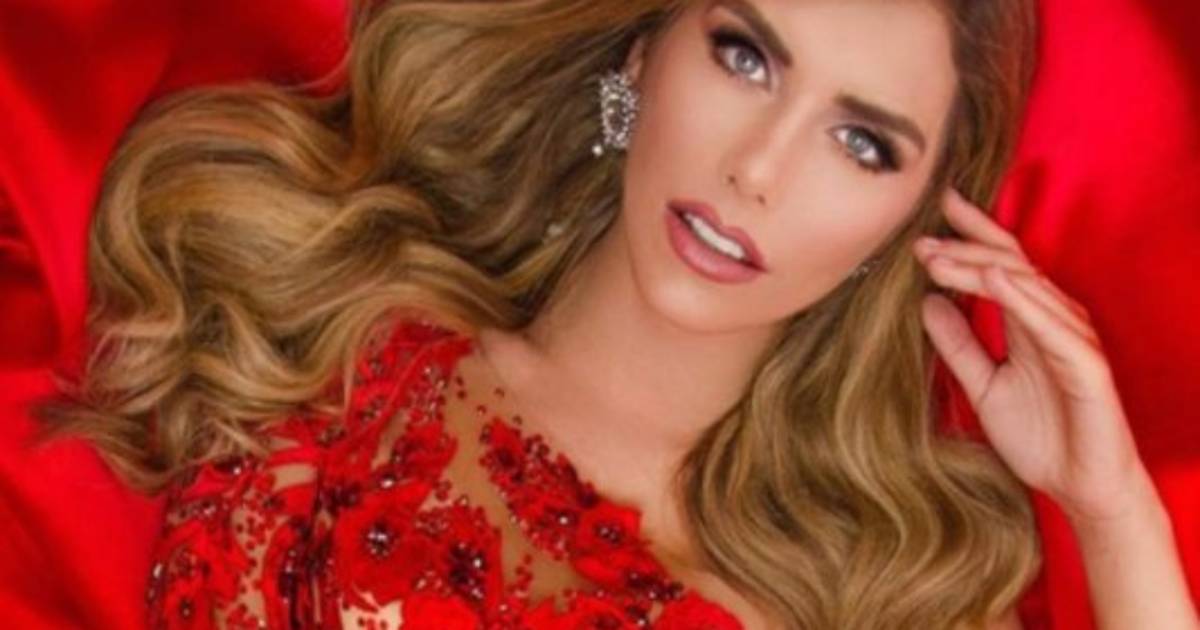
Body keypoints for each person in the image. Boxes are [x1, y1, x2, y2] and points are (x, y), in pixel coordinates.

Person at [36, 0, 1199, 628]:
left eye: (860, 143)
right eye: (745, 56)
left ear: (905, 225)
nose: (758, 168)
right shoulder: (329, 326)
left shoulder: (876, 603)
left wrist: (1114, 513)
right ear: (642, 62)